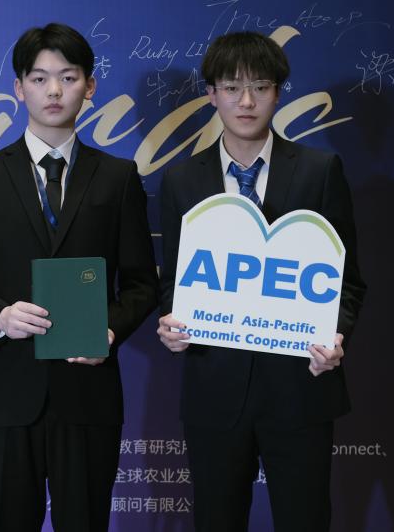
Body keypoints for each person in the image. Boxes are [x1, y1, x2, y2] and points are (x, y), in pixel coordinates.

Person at [0, 23, 158, 532]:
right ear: (19, 88)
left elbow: (142, 283)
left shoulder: (118, 178)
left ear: (90, 86)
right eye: (39, 79)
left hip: (88, 393)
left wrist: (108, 330)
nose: (54, 91)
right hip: (8, 392)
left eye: (68, 77)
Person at [156, 31, 367, 532]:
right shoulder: (182, 181)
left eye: (260, 87)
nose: (246, 101)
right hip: (214, 390)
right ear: (211, 94)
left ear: (279, 92)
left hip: (300, 388)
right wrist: (171, 324)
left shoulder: (319, 171)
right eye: (232, 88)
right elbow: (173, 281)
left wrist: (335, 335)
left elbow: (348, 282)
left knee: (305, 519)